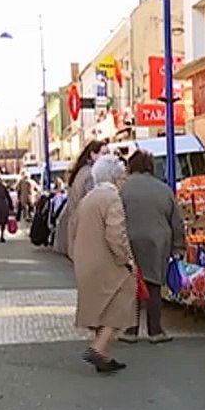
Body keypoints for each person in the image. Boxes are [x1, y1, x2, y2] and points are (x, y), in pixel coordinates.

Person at [71, 156, 136, 373]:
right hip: (105, 261)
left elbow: (72, 228)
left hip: (85, 260)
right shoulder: (112, 198)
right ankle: (98, 349)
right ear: (116, 177)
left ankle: (104, 354)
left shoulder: (88, 198)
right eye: (123, 176)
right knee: (120, 300)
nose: (125, 180)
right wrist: (126, 259)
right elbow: (116, 234)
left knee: (99, 305)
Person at [119, 150, 186, 344]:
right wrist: (178, 247)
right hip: (158, 242)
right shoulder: (164, 189)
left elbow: (116, 216)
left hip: (130, 240)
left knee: (132, 284)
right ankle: (155, 331)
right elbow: (176, 221)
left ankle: (131, 330)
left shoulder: (123, 189)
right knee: (154, 285)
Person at [55, 139, 107, 258]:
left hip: (76, 230)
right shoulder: (91, 175)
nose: (107, 157)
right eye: (104, 154)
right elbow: (93, 205)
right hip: (86, 232)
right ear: (93, 155)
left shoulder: (81, 172)